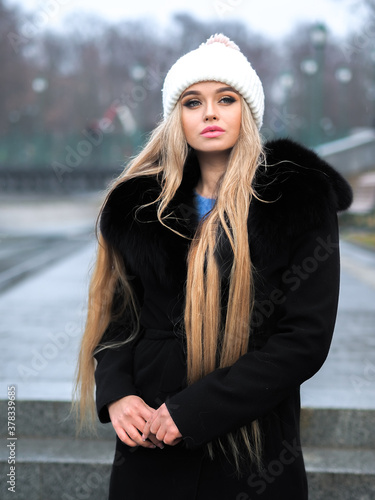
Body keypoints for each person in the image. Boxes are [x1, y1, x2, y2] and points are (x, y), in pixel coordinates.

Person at [75, 34, 353, 499]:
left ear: (248, 111)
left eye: (226, 99)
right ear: (175, 118)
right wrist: (117, 393)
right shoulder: (143, 206)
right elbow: (120, 319)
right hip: (150, 447)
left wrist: (195, 410)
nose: (209, 113)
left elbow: (304, 339)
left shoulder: (295, 200)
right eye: (192, 101)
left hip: (251, 449)